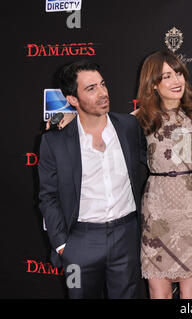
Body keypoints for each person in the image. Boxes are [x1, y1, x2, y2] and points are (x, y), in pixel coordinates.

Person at [38, 60, 148, 298]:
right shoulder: (55, 142)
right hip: (80, 242)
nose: (103, 93)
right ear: (72, 100)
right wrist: (62, 245)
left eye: (102, 84)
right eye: (91, 88)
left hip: (126, 236)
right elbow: (48, 196)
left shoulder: (129, 126)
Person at [135, 51, 192, 299]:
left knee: (191, 292)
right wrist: (67, 120)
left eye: (178, 73)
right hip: (157, 211)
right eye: (167, 76)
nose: (176, 81)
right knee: (158, 291)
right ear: (154, 85)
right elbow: (103, 127)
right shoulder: (142, 117)